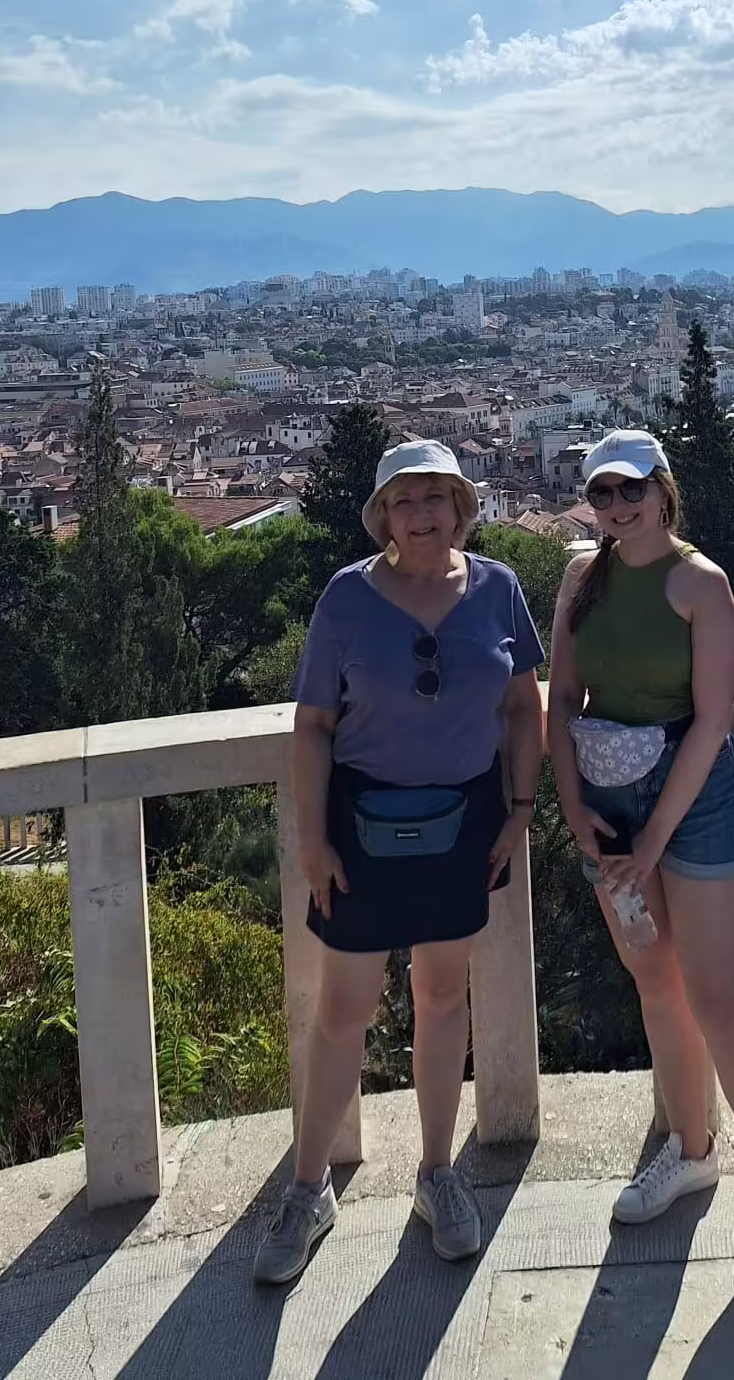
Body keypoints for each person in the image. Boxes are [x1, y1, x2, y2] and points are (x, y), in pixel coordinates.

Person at [254, 440, 545, 1286]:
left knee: (442, 995)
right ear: (383, 517)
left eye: (437, 499)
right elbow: (312, 726)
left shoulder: (497, 589)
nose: (423, 515)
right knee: (343, 1009)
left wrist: (522, 807)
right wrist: (313, 839)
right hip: (360, 826)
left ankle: (437, 1173)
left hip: (467, 820)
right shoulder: (347, 598)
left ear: (463, 508)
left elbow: (523, 703)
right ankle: (308, 1189)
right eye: (405, 501)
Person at [547, 429, 734, 1284]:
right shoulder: (583, 577)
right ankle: (692, 1150)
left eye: (631, 491)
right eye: (603, 494)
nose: (617, 508)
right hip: (609, 801)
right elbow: (564, 700)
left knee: (719, 993)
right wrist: (575, 806)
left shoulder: (702, 584)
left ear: (663, 490)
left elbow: (714, 721)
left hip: (691, 805)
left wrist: (652, 838)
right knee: (655, 981)